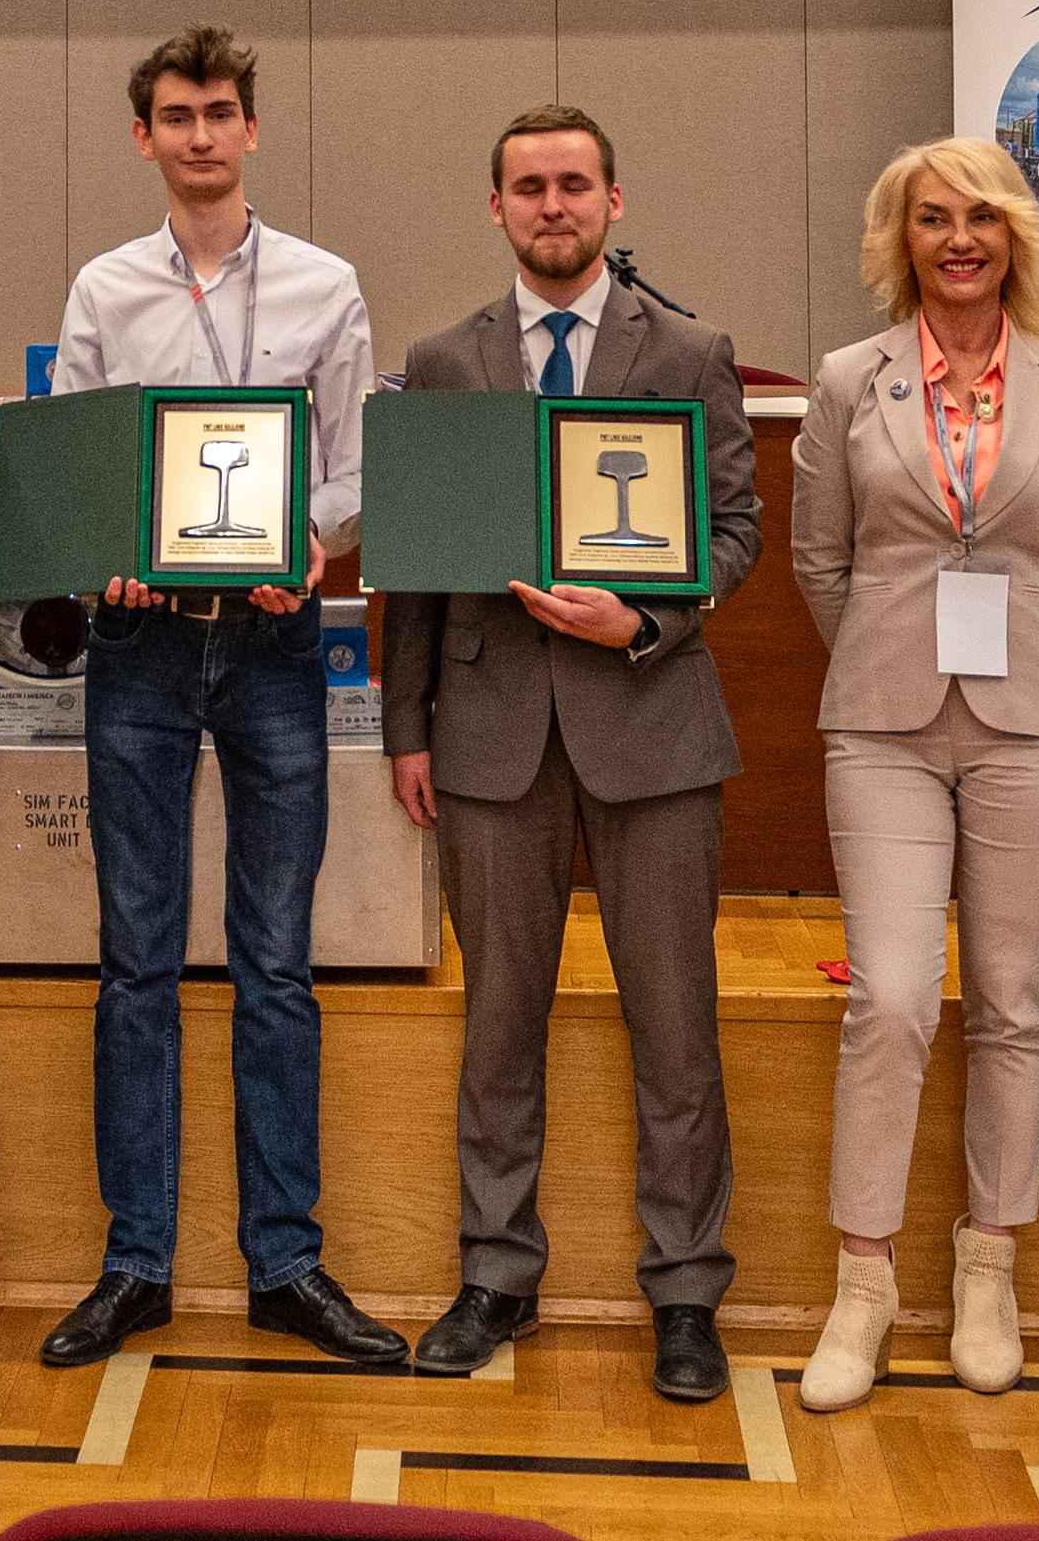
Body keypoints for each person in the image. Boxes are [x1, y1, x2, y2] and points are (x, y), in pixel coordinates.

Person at [37, 29, 402, 1374]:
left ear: (252, 130)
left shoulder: (324, 283)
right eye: (177, 116)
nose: (201, 135)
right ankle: (135, 1263)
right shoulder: (104, 287)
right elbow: (82, 470)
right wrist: (106, 545)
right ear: (145, 136)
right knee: (135, 960)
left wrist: (308, 538)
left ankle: (285, 1265)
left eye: (221, 113)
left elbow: (352, 469)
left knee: (276, 963)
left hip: (275, 643)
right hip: (140, 645)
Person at [381, 104, 756, 1403]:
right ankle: (495, 1274)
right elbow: (416, 567)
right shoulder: (443, 360)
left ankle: (686, 1290)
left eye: (575, 184)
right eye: (530, 186)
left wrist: (642, 617)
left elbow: (736, 529)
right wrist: (407, 726)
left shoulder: (692, 351)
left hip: (653, 728)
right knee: (497, 1025)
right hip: (488, 741)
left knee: (678, 1028)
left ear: (613, 200)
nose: (554, 205)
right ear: (497, 207)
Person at [787, 136, 1039, 1415]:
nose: (959, 239)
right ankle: (862, 1286)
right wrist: (895, 646)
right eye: (933, 219)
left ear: (1015, 234)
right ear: (902, 240)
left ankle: (989, 1271)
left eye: (981, 217)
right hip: (882, 726)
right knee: (891, 996)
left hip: (1036, 724)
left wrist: (1006, 645)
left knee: (1012, 1000)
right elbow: (822, 562)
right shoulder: (846, 380)